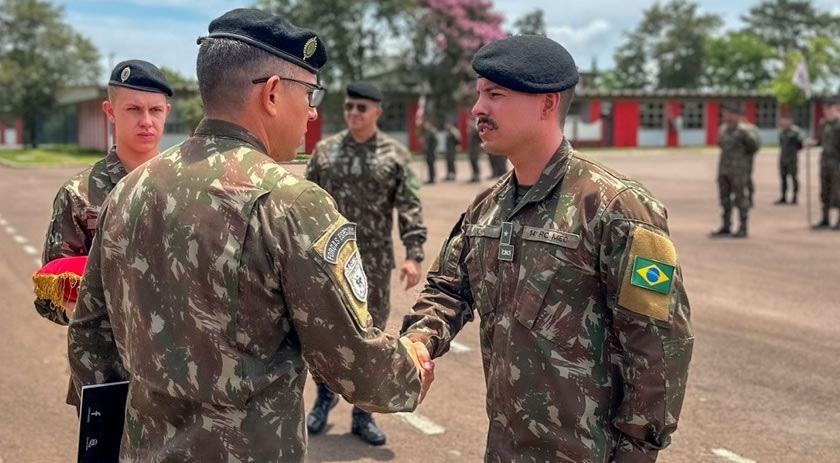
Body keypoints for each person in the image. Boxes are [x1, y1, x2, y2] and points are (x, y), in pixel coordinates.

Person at [68, 9, 433, 462]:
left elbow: (89, 338)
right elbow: (354, 363)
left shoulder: (128, 189)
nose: (313, 110)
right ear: (274, 94)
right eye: (309, 92)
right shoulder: (291, 203)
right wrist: (412, 367)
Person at [401, 35, 693, 463]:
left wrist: (638, 451)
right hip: (505, 447)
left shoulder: (616, 207)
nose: (478, 109)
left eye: (496, 95)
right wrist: (419, 341)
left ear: (547, 104)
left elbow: (659, 342)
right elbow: (448, 288)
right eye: (480, 94)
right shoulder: (488, 205)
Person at [36, 59, 172, 410]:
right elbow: (48, 293)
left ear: (167, 112)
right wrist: (78, 309)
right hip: (106, 374)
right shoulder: (79, 194)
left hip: (178, 372)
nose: (146, 120)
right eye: (134, 109)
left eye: (156, 109)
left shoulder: (184, 188)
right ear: (110, 111)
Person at [304, 81, 428, 445]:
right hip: (328, 261)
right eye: (349, 107)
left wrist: (413, 255)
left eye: (361, 108)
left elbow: (410, 206)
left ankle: (364, 414)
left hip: (372, 263)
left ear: (377, 112)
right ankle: (323, 399)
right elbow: (307, 204)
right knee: (323, 332)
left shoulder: (395, 155)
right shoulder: (324, 152)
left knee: (371, 339)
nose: (353, 113)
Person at [711, 102, 759, 238]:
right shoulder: (723, 129)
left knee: (740, 198)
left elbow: (753, 147)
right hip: (724, 169)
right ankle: (726, 226)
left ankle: (743, 227)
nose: (725, 116)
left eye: (728, 113)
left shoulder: (745, 131)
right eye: (725, 113)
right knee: (724, 198)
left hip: (739, 171)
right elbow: (720, 145)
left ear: (736, 115)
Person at [807, 97, 840, 229]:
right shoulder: (823, 124)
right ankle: (825, 219)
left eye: (829, 109)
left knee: (837, 191)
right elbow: (821, 141)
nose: (827, 112)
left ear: (836, 108)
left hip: (837, 163)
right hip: (825, 162)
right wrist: (812, 143)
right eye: (825, 109)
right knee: (824, 191)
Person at [775, 114, 803, 205]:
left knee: (793, 177)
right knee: (783, 178)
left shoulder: (795, 131)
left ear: (790, 121)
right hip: (783, 158)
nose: (782, 123)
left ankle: (795, 197)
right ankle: (783, 196)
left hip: (792, 159)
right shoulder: (782, 132)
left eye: (785, 120)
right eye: (782, 121)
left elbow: (800, 145)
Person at [421, 120, 438, 184]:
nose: (425, 126)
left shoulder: (432, 131)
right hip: (428, 152)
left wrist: (432, 149)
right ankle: (430, 178)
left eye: (426, 124)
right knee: (429, 165)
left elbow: (435, 142)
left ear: (429, 124)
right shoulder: (427, 132)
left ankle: (432, 179)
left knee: (431, 165)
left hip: (431, 152)